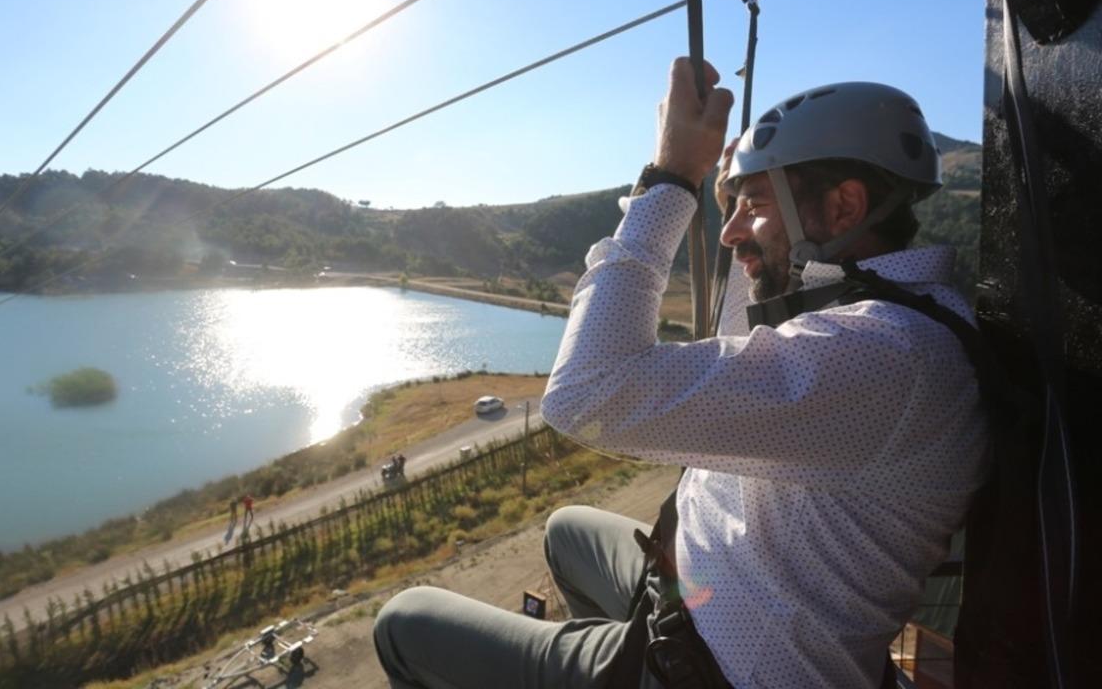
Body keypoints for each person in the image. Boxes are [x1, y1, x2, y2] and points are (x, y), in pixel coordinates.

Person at [373, 59, 990, 688]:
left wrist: (669, 179)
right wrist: (737, 197)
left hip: (711, 667)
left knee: (404, 622)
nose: (728, 234)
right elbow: (739, 340)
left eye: (751, 207)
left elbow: (587, 394)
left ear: (843, 207)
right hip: (703, 594)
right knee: (566, 532)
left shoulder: (882, 353)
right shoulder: (872, 315)